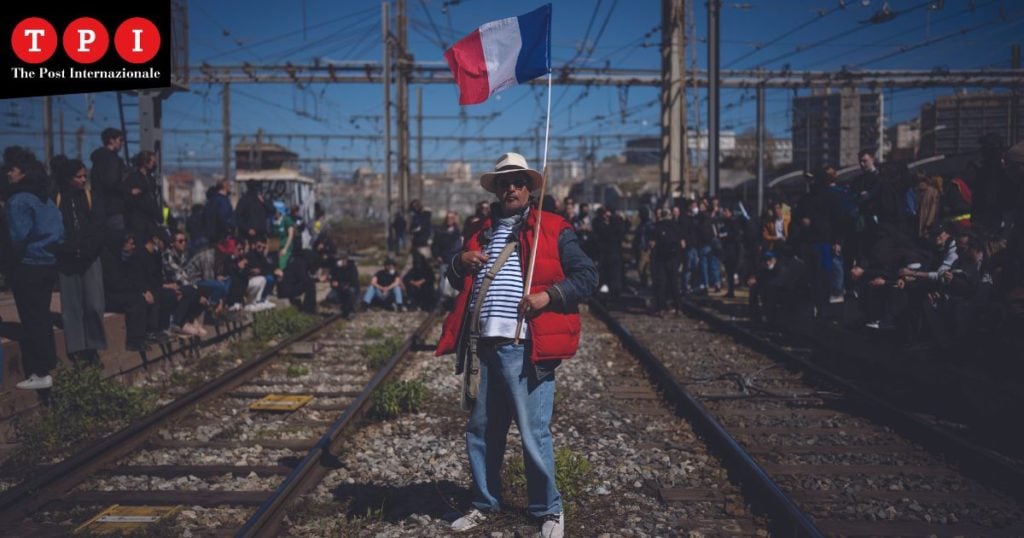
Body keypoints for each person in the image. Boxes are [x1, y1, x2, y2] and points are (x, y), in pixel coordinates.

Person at [436, 152, 597, 538]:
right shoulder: (478, 231)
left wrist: (549, 296)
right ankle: (484, 502)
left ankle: (549, 510)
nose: (511, 188)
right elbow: (453, 279)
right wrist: (460, 262)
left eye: (519, 182)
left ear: (529, 188)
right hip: (484, 345)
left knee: (532, 431)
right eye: (504, 183)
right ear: (496, 189)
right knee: (482, 430)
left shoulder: (555, 228)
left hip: (526, 347)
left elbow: (588, 276)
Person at [4, 147, 64, 390]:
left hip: (27, 265)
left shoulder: (17, 200)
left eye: (12, 169)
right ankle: (48, 366)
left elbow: (17, 236)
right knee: (42, 316)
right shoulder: (46, 198)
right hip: (48, 263)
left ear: (24, 172)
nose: (8, 173)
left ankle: (40, 372)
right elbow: (60, 231)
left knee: (31, 318)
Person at [52, 155, 108, 365]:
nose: (83, 180)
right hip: (67, 260)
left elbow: (98, 226)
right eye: (79, 177)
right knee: (71, 306)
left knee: (94, 303)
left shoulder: (89, 197)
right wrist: (66, 249)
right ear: (68, 178)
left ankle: (94, 345)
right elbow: (55, 228)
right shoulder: (56, 198)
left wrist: (87, 249)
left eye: (85, 176)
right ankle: (76, 349)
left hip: (90, 257)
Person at [89, 128, 127, 233]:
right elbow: (112, 182)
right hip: (113, 208)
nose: (122, 143)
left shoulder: (98, 158)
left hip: (98, 207)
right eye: (120, 140)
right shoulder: (113, 160)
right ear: (111, 140)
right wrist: (127, 188)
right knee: (116, 240)